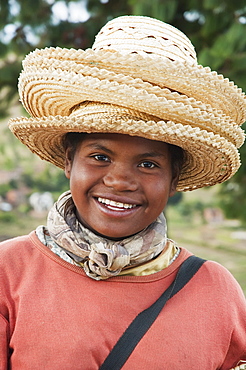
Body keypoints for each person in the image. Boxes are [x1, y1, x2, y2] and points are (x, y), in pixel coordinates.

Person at [0, 15, 246, 370]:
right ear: (69, 161)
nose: (119, 181)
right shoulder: (10, 271)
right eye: (100, 157)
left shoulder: (214, 290)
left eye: (148, 165)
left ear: (174, 178)